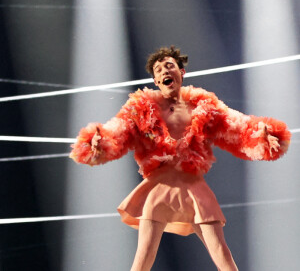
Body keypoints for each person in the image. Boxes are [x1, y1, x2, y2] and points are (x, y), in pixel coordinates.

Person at [70, 46, 291, 271]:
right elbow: (118, 130)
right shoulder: (140, 107)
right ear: (156, 80)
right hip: (159, 187)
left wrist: (262, 134)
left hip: (194, 186)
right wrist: (97, 143)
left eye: (169, 66)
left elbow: (235, 124)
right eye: (159, 69)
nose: (165, 71)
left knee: (221, 252)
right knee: (144, 256)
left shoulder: (204, 105)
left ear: (181, 73)